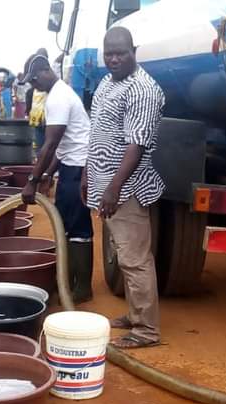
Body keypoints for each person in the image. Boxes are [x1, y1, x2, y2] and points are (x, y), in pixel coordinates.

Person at [82, 27, 166, 349]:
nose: (114, 59)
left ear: (134, 51)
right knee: (123, 254)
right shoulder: (107, 82)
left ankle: (146, 331)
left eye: (121, 53)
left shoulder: (143, 90)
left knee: (135, 259)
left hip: (127, 189)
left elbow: (137, 145)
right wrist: (88, 174)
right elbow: (98, 133)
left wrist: (113, 188)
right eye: (109, 54)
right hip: (105, 184)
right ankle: (135, 315)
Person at [19, 54, 93, 303]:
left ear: (45, 71)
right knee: (65, 226)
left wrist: (32, 181)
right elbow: (61, 147)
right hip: (71, 166)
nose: (34, 85)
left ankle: (81, 288)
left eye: (34, 79)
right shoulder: (58, 93)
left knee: (77, 228)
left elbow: (50, 145)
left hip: (78, 169)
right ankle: (67, 281)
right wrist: (48, 173)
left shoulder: (59, 98)